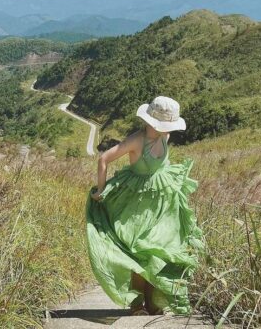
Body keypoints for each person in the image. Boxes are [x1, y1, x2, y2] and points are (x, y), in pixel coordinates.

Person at [85, 96, 204, 316]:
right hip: (135, 201)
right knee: (138, 249)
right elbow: (103, 159)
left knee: (159, 250)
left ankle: (152, 302)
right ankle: (137, 304)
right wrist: (101, 191)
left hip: (162, 201)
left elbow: (162, 164)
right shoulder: (136, 140)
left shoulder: (164, 136)